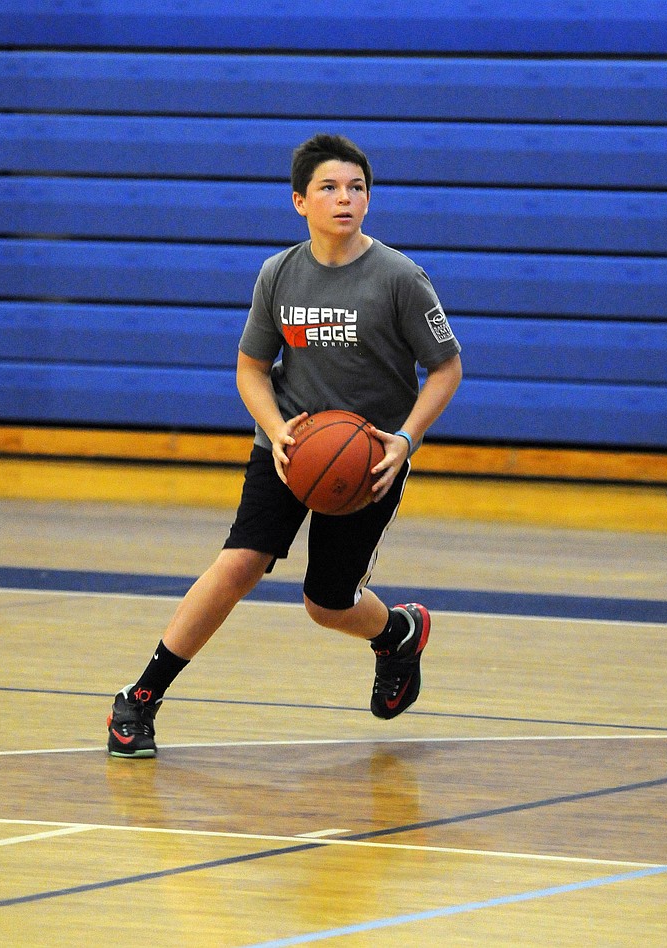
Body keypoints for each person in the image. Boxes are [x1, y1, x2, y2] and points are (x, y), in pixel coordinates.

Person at [107, 133, 463, 757]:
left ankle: (398, 632)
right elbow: (250, 369)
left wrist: (405, 440)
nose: (345, 198)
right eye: (329, 187)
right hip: (289, 444)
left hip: (367, 459)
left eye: (356, 188)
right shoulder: (279, 274)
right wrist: (276, 432)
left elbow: (447, 367)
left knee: (326, 604)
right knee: (238, 564)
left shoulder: (401, 278)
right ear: (299, 200)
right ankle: (140, 697)